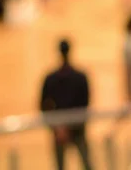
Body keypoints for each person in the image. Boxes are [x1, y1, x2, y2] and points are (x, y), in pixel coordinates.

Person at [40, 39, 92, 170]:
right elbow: (85, 104)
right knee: (86, 164)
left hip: (62, 130)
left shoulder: (50, 78)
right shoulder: (80, 77)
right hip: (75, 129)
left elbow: (43, 106)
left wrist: (59, 128)